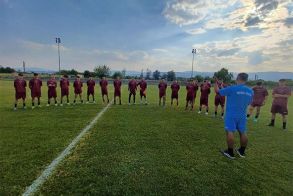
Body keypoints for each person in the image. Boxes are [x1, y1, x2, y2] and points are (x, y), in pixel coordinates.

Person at [215, 73, 253, 159]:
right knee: (242, 132)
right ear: (246, 80)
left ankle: (230, 152)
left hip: (231, 114)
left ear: (237, 78)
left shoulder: (232, 88)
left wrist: (216, 83)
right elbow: (249, 102)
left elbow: (218, 91)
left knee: (230, 131)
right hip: (242, 115)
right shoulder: (250, 91)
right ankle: (242, 151)